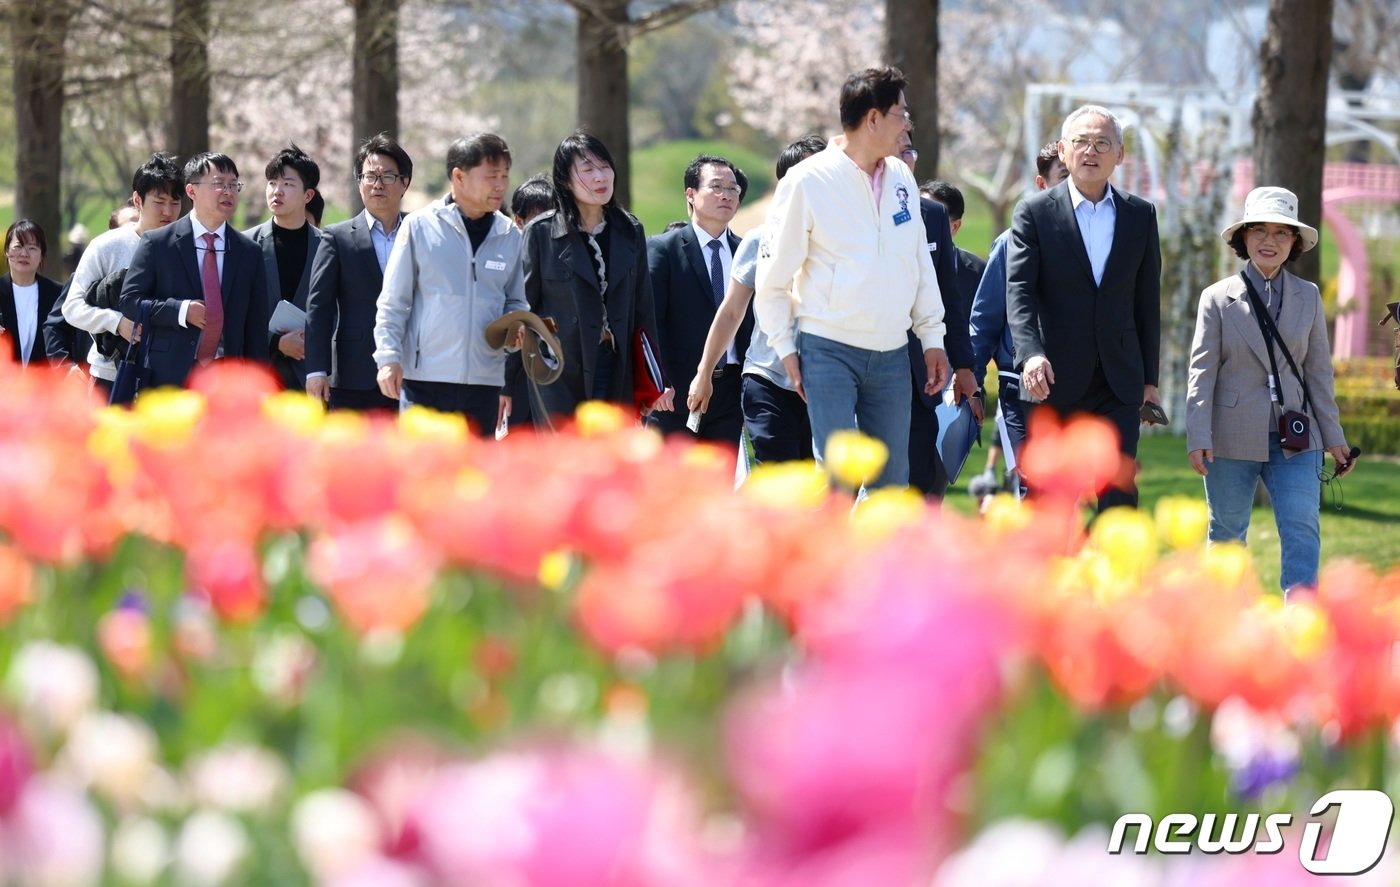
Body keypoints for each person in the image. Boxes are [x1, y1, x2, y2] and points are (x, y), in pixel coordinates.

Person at [754, 66, 949, 489]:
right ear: (873, 119)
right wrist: (786, 348)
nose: (909, 124)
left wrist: (932, 337)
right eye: (901, 113)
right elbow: (771, 277)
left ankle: (876, 559)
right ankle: (829, 557)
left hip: (893, 352)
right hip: (828, 349)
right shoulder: (807, 180)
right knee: (838, 479)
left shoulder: (901, 178)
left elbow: (917, 261)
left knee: (891, 481)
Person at [1187, 186, 1354, 594]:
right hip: (1228, 436)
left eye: (1281, 233)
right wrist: (1198, 435)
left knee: (1302, 528)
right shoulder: (1216, 298)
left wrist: (1334, 437)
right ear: (1243, 237)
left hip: (1297, 436)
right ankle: (1222, 625)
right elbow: (1201, 372)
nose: (1269, 241)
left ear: (1295, 242)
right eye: (1259, 230)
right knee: (1227, 532)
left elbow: (1318, 372)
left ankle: (1301, 625)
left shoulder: (1309, 297)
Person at [1006, 105, 1161, 511]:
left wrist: (1150, 379)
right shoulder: (1035, 213)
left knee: (1119, 495)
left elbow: (1146, 301)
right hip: (1055, 377)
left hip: (1119, 382)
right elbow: (1018, 290)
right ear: (1063, 149)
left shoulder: (1140, 216)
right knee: (1050, 496)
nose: (1090, 152)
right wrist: (1031, 354)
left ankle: (1117, 574)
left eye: (1102, 143)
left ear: (1120, 154)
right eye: (1080, 142)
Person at [373, 133, 527, 436]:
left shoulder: (509, 234)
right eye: (491, 176)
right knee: (423, 477)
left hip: (484, 383)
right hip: (425, 382)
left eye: (505, 176)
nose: (500, 185)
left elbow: (516, 302)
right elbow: (393, 301)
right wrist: (388, 358)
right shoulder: (419, 227)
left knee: (472, 480)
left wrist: (516, 328)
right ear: (459, 176)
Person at [688, 135, 826, 466]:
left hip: (829, 381)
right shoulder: (759, 240)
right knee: (780, 485)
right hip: (767, 378)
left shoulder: (848, 242)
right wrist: (704, 372)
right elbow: (732, 310)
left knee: (823, 492)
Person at [519, 130, 674, 421]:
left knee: (610, 455)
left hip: (615, 367)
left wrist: (655, 377)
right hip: (559, 370)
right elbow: (523, 309)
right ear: (565, 180)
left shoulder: (630, 230)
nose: (601, 177)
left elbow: (643, 310)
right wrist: (510, 383)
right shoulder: (541, 233)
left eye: (605, 167)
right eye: (588, 170)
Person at [119, 152, 271, 390]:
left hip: (227, 379)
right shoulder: (158, 243)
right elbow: (130, 301)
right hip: (168, 377)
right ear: (191, 191)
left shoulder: (248, 251)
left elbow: (256, 327)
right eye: (219, 184)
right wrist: (180, 310)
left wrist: (259, 385)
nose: (229, 191)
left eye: (234, 184)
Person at [968, 143, 1068, 497]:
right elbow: (985, 317)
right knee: (1031, 488)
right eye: (1064, 177)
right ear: (1042, 184)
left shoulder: (1094, 241)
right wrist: (973, 378)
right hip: (1020, 387)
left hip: (1076, 384)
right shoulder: (1011, 243)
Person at [305, 133, 412, 411]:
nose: (378, 184)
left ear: (404, 183)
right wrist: (316, 369)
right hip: (354, 374)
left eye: (388, 176)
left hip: (414, 368)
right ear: (359, 183)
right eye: (369, 176)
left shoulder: (420, 232)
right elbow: (320, 305)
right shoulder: (337, 237)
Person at [62, 154, 184, 395]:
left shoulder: (188, 248)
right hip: (111, 378)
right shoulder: (106, 246)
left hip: (170, 382)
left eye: (175, 202)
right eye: (159, 202)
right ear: (137, 201)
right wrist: (116, 323)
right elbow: (72, 308)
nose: (168, 211)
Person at [648, 153, 750, 442]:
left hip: (730, 394)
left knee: (719, 484)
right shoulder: (663, 250)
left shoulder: (746, 252)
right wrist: (660, 382)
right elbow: (651, 321)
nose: (726, 195)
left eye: (733, 189)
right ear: (690, 195)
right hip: (674, 393)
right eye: (716, 187)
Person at [902, 163, 976, 498]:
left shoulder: (976, 270)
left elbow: (965, 315)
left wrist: (966, 370)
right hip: (882, 368)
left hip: (938, 384)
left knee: (926, 479)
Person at [245, 144, 322, 391]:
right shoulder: (245, 244)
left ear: (308, 195)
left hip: (311, 375)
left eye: (288, 184)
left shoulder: (328, 247)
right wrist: (276, 342)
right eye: (272, 183)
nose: (277, 191)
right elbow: (233, 314)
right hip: (259, 375)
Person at [503, 174, 556, 427]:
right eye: (536, 219)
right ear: (519, 221)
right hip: (514, 385)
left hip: (554, 381)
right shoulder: (506, 262)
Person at [1, 220, 63, 367]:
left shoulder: (57, 294)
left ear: (42, 255)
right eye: (18, 246)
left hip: (43, 383)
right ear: (7, 251)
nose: (24, 253)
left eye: (32, 248)